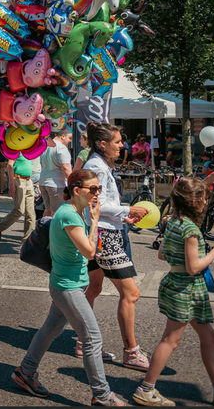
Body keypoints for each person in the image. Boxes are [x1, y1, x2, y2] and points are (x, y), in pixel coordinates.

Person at [12, 169, 127, 406]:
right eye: (92, 189)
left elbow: (84, 255)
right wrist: (94, 222)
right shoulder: (71, 215)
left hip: (69, 284)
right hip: (67, 287)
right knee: (92, 338)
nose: (97, 193)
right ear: (76, 191)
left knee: (50, 330)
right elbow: (88, 252)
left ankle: (25, 372)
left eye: (99, 189)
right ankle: (102, 395)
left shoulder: (75, 211)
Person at [132, 177, 214, 407]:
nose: (206, 201)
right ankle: (146, 389)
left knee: (209, 336)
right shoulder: (191, 229)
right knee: (171, 340)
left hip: (177, 284)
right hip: (187, 289)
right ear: (194, 201)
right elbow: (193, 267)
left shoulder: (173, 222)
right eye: (204, 198)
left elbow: (161, 254)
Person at [83, 121, 150, 370]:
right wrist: (128, 208)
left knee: (93, 287)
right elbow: (94, 204)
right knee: (131, 293)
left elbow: (104, 205)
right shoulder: (96, 167)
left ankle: (84, 342)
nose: (123, 145)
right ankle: (131, 352)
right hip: (105, 235)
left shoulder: (100, 165)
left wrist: (123, 216)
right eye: (118, 141)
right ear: (103, 143)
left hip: (105, 230)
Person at [0, 154, 38, 244]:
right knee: (19, 210)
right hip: (18, 180)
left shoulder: (27, 151)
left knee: (31, 212)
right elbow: (10, 165)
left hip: (29, 181)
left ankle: (27, 239)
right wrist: (12, 184)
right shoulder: (17, 150)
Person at [39, 129, 73, 218]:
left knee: (48, 210)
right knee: (56, 213)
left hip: (44, 182)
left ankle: (41, 231)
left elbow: (41, 164)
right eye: (69, 138)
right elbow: (66, 167)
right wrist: (73, 183)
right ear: (62, 137)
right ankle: (51, 232)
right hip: (56, 184)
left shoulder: (45, 146)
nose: (70, 140)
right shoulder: (61, 148)